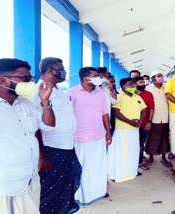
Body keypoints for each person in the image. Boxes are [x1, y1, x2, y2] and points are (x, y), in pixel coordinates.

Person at [0, 58, 55, 214]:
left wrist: (45, 102)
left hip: (31, 180)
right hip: (8, 184)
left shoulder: (27, 104)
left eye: (31, 78)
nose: (30, 82)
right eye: (25, 78)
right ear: (2, 81)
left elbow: (48, 125)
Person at [31, 57, 82, 214]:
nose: (63, 72)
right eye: (60, 69)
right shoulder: (37, 91)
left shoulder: (59, 91)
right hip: (51, 149)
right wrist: (42, 156)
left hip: (67, 147)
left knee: (66, 185)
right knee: (50, 190)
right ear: (48, 70)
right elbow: (34, 126)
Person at [67, 67, 111, 206]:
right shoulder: (72, 93)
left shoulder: (101, 93)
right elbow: (67, 116)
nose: (99, 77)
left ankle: (98, 192)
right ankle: (80, 196)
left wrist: (108, 132)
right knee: (82, 167)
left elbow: (105, 113)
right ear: (86, 78)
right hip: (79, 137)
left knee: (98, 165)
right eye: (96, 75)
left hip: (98, 135)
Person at [108, 78, 147, 183]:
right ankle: (120, 174)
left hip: (135, 129)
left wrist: (140, 121)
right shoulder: (119, 97)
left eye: (134, 84)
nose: (133, 86)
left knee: (133, 152)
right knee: (122, 153)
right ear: (124, 87)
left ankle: (131, 172)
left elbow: (144, 109)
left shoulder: (137, 97)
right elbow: (116, 112)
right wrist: (130, 122)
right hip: (123, 129)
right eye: (131, 84)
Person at [145, 71, 171, 167]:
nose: (161, 77)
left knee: (165, 138)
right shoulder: (148, 88)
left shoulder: (166, 87)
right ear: (153, 79)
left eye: (161, 76)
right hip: (154, 117)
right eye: (158, 76)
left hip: (165, 117)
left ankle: (164, 158)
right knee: (152, 138)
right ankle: (150, 157)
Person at [132, 77, 155, 170]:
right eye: (140, 82)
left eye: (143, 82)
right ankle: (130, 163)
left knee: (140, 144)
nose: (143, 84)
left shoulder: (148, 94)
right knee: (131, 144)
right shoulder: (130, 93)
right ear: (134, 84)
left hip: (144, 124)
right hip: (131, 124)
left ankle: (139, 162)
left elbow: (152, 109)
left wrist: (149, 122)